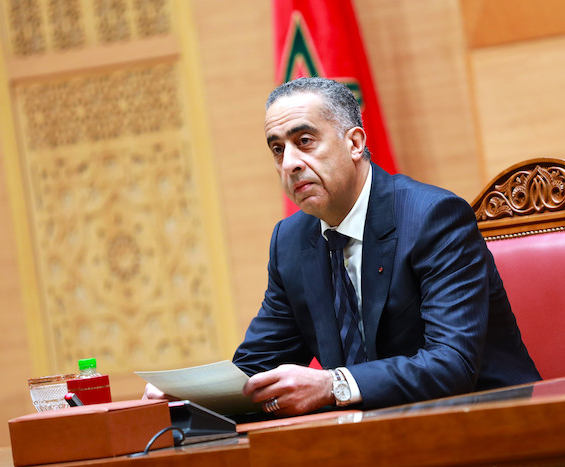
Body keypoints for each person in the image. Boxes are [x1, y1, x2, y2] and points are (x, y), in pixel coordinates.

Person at [144, 77, 540, 414]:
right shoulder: (291, 241)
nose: (289, 163)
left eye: (304, 141)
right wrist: (190, 399)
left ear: (354, 143)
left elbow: (452, 364)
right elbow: (258, 366)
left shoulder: (433, 218)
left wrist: (334, 384)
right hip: (372, 438)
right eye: (278, 149)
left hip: (492, 423)